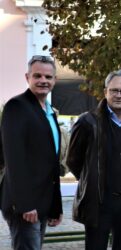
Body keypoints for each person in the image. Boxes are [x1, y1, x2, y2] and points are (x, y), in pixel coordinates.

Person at [67, 69, 121, 250]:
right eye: (114, 90)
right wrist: (92, 179)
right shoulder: (87, 122)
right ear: (105, 92)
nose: (118, 95)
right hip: (99, 204)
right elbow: (73, 160)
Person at [0, 55, 63, 249]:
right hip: (24, 204)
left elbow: (52, 163)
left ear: (55, 80)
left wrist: (56, 206)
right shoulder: (17, 106)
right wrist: (25, 204)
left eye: (48, 77)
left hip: (42, 202)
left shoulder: (49, 111)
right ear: (27, 77)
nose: (43, 81)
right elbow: (14, 159)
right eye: (37, 76)